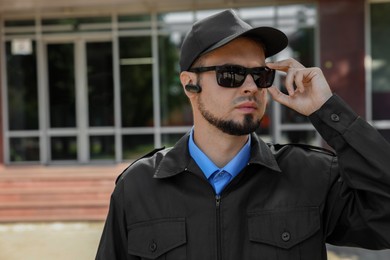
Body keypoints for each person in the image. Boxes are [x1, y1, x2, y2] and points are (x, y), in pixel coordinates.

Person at [96, 9, 390, 259]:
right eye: (231, 74)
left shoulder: (311, 175)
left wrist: (327, 110)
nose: (250, 86)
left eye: (261, 75)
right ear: (189, 84)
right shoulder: (137, 189)